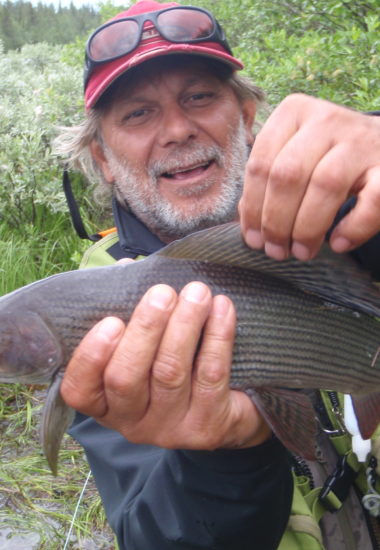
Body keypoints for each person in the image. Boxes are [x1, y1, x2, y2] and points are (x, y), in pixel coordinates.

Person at [55, 1, 380, 548]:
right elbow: (151, 535)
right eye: (137, 113)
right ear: (102, 158)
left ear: (248, 117)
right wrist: (227, 459)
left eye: (199, 96)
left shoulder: (349, 209)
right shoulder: (91, 317)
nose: (178, 129)